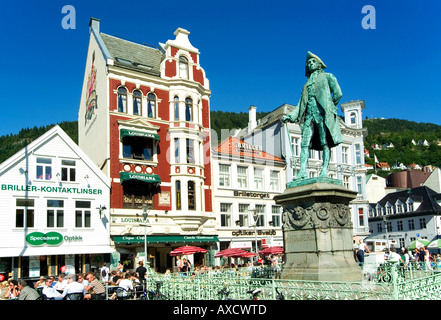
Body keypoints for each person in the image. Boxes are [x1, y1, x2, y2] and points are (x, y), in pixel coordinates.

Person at [282, 51, 343, 179]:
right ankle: (302, 171)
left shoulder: (328, 77)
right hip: (309, 117)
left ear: (319, 64)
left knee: (324, 142)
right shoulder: (305, 86)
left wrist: (330, 106)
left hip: (322, 115)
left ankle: (324, 170)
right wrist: (291, 116)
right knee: (304, 143)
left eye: (313, 61)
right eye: (308, 63)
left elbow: (338, 93)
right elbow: (300, 104)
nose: (310, 64)